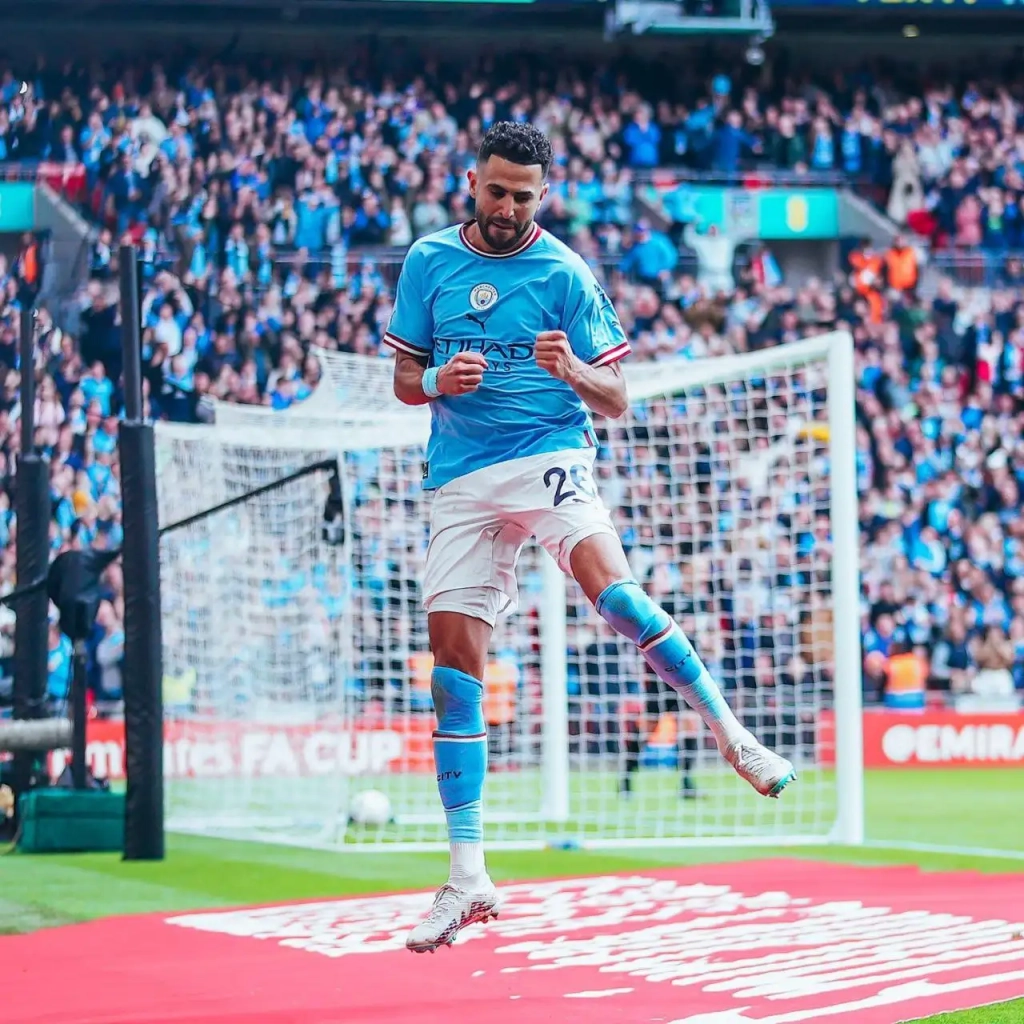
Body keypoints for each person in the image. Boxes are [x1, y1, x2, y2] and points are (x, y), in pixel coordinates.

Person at [387, 121, 795, 955]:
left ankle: (731, 734)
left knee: (614, 595)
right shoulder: (428, 261)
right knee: (454, 674)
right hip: (460, 478)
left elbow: (619, 398)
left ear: (546, 195)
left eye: (523, 196)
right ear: (473, 181)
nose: (506, 207)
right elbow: (402, 377)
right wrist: (434, 379)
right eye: (495, 190)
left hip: (548, 453)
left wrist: (571, 369)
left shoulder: (565, 271)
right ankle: (467, 880)